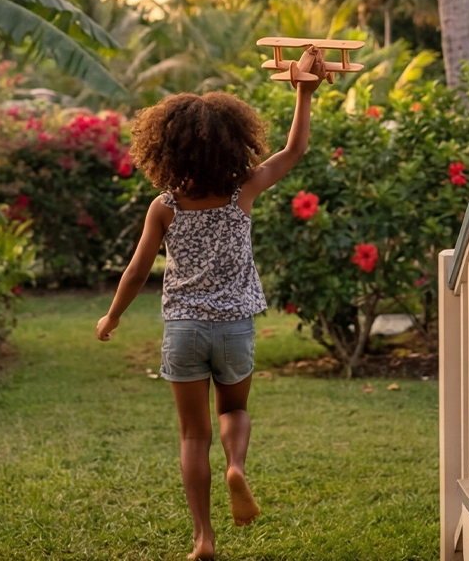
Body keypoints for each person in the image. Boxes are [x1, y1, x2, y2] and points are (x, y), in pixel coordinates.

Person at [96, 46, 325, 561]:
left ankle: (203, 539)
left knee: (192, 437)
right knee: (236, 409)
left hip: (183, 330)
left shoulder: (165, 207)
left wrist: (112, 315)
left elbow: (136, 271)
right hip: (235, 327)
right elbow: (293, 152)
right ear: (231, 144)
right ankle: (237, 467)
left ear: (167, 150)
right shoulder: (241, 191)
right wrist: (303, 94)